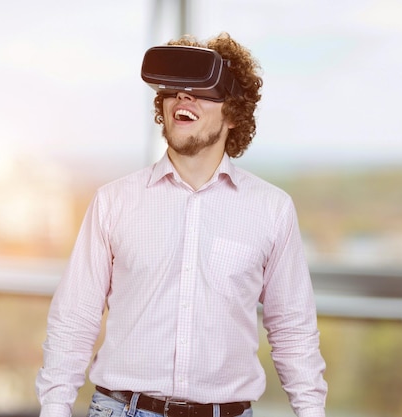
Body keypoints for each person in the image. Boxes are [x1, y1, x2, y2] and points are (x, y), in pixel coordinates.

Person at [36, 32, 327, 417]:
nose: (183, 98)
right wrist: (54, 409)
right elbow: (74, 319)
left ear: (234, 113)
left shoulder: (271, 210)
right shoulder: (114, 202)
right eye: (175, 90)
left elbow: (293, 331)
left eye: (202, 90)